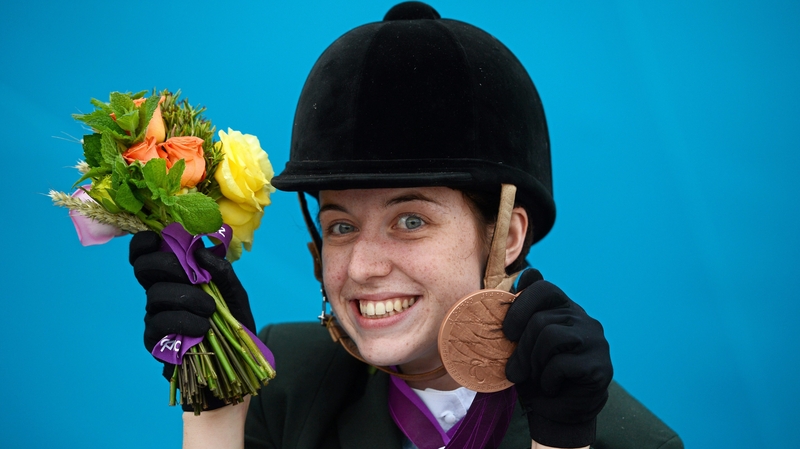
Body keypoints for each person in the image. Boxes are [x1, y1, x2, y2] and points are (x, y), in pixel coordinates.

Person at [129, 2, 684, 448]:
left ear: (508, 236)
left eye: (410, 220)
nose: (363, 268)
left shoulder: (625, 440)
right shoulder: (282, 383)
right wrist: (216, 403)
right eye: (341, 227)